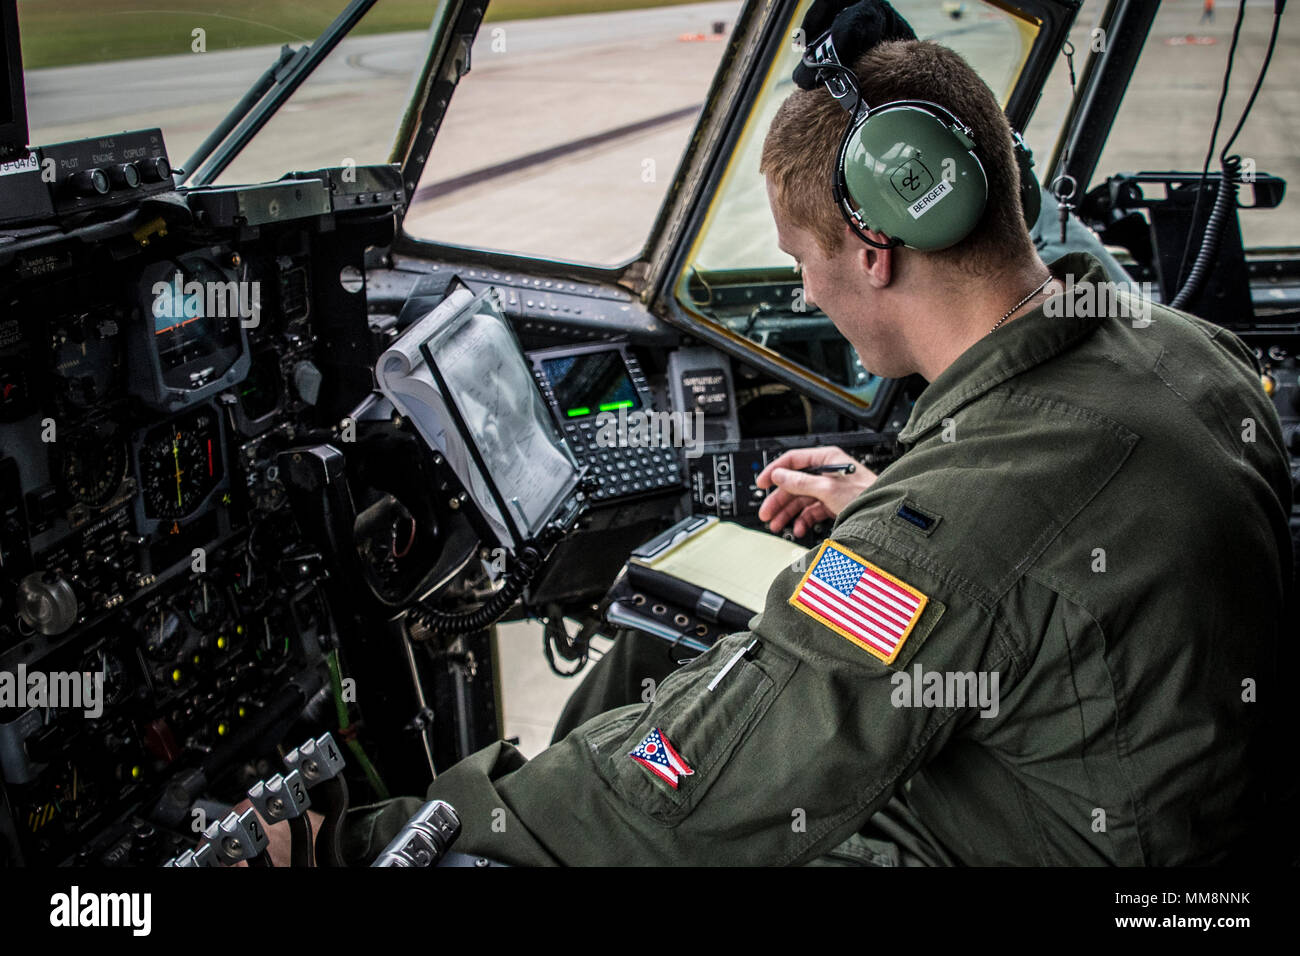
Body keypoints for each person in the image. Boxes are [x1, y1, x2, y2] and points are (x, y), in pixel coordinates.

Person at [343, 25, 1293, 867]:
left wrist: (355, 840)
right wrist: (888, 492)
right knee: (655, 660)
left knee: (675, 765)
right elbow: (1033, 537)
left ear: (876, 247)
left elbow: (680, 800)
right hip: (1169, 795)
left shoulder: (946, 535)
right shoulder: (1182, 349)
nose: (805, 293)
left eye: (803, 259)